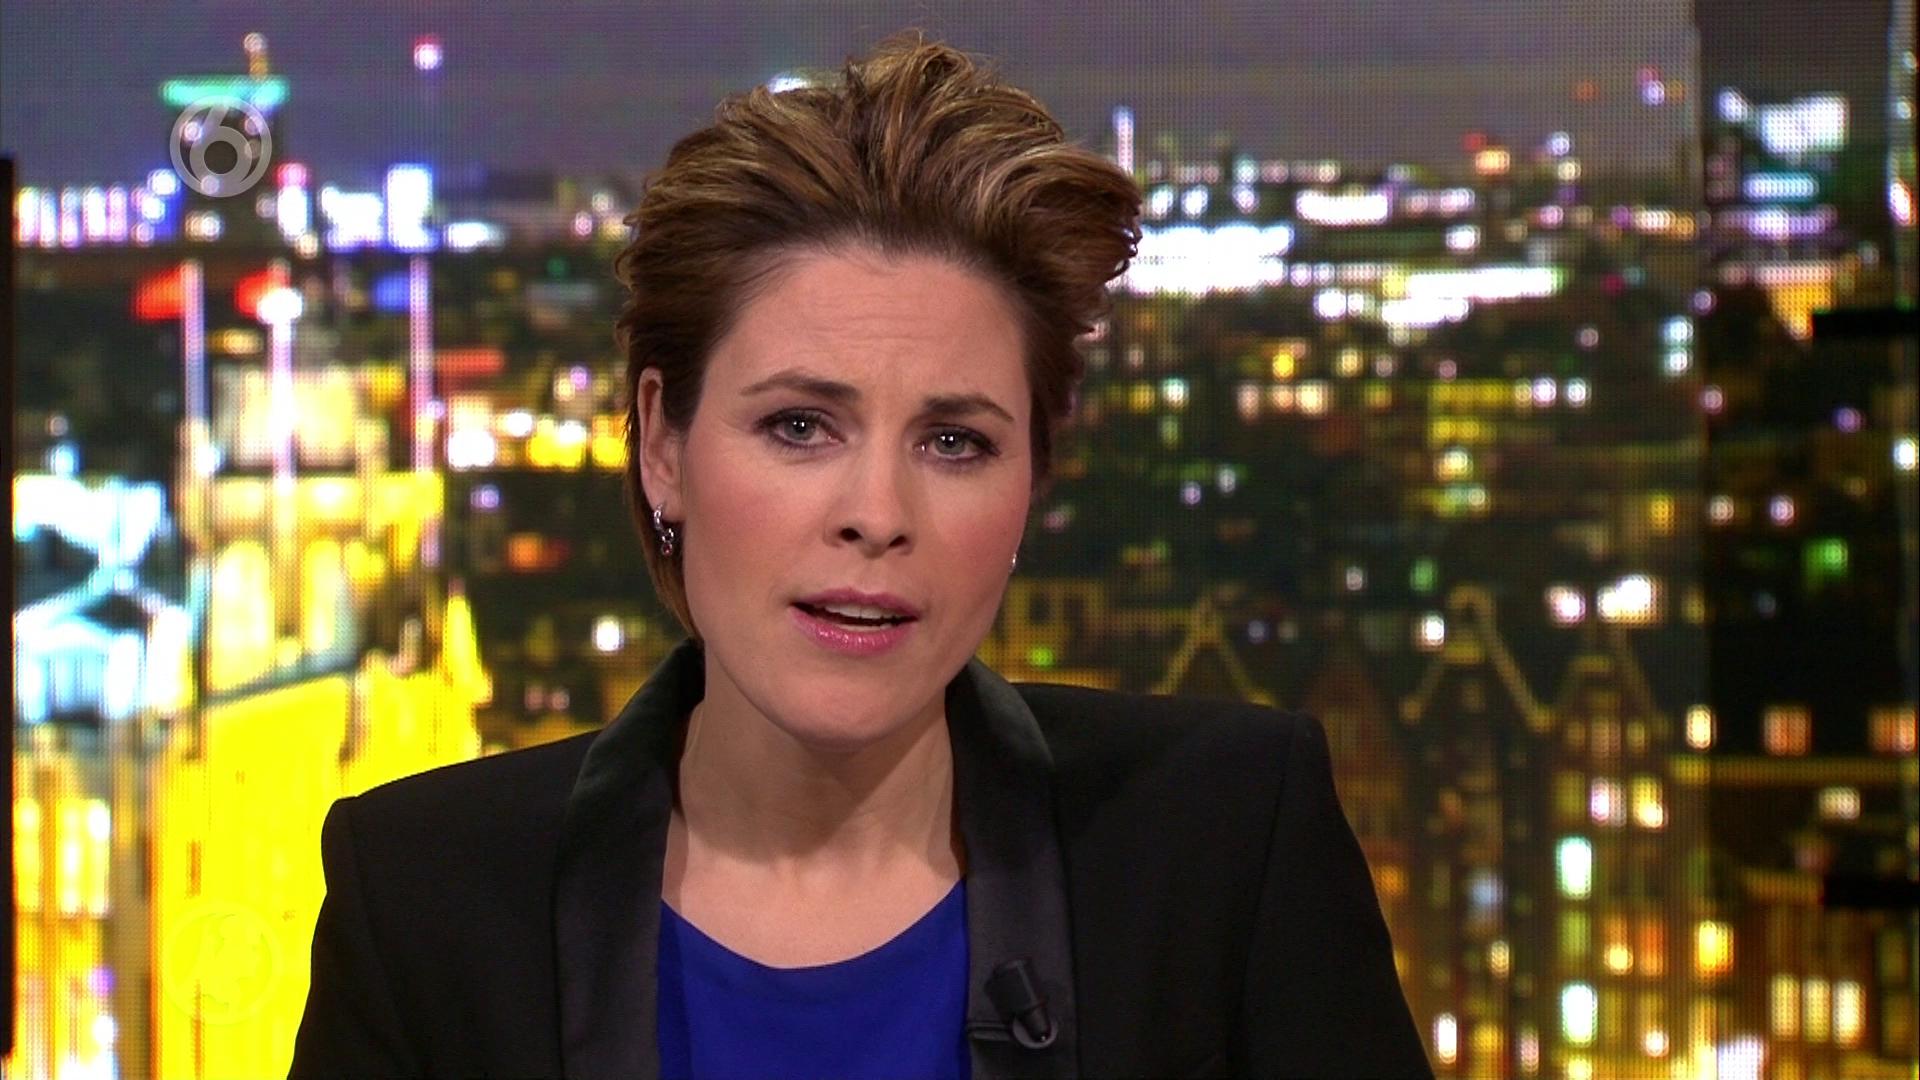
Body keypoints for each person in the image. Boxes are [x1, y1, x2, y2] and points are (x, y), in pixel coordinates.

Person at [289, 33, 1428, 1080]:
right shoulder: (425, 897)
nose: (877, 513)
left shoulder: (1227, 846)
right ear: (663, 446)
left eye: (955, 442)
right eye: (799, 426)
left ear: (1034, 480)